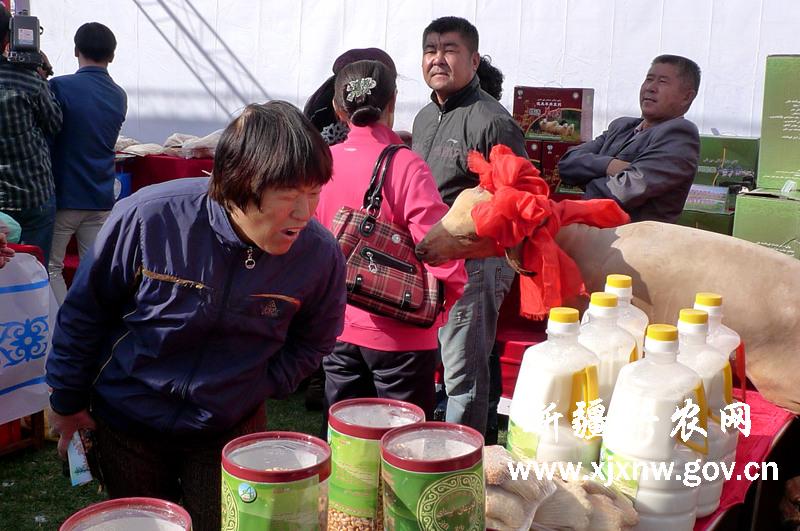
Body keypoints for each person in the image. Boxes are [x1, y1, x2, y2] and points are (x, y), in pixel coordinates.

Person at [45, 101, 347, 530]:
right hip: (127, 424)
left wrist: (259, 384)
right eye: (289, 194)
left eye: (314, 192)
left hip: (228, 430)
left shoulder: (319, 254)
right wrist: (67, 401)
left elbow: (316, 338)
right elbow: (85, 312)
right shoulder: (149, 218)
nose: (305, 212)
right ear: (238, 181)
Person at [315, 59, 466, 420]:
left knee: (345, 443)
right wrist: (448, 297)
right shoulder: (406, 164)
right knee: (402, 448)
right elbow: (436, 245)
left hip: (338, 324)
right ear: (393, 102)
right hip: (403, 332)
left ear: (338, 109)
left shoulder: (322, 163)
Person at [412, 16, 525, 436]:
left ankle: (463, 464)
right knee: (459, 362)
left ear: (474, 60)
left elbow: (518, 198)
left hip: (475, 262)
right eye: (430, 50)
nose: (437, 59)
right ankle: (478, 439)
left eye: (450, 50)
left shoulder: (491, 120)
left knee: (464, 376)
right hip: (432, 256)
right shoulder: (425, 117)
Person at [558, 55, 701, 223]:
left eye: (662, 82)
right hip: (594, 234)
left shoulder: (680, 134)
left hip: (633, 242)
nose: (650, 88)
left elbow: (622, 191)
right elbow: (567, 163)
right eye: (649, 79)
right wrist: (610, 165)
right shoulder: (621, 126)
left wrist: (584, 176)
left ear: (687, 97)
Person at [48, 22, 127, 305]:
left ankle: (62, 327)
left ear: (75, 50)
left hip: (64, 195)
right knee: (93, 270)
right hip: (100, 195)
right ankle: (89, 331)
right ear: (112, 55)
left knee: (51, 268)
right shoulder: (119, 95)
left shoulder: (59, 86)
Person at [0, 5, 63, 265]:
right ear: (9, 37)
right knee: (34, 272)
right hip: (32, 195)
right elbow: (54, 123)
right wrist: (42, 73)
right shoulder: (28, 79)